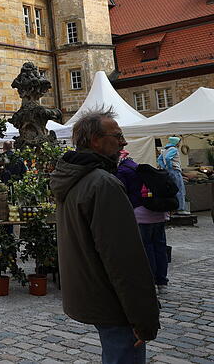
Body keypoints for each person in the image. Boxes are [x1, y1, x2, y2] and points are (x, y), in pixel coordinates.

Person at [50, 109, 159, 364]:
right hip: (114, 301)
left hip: (94, 293)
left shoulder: (74, 178)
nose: (123, 142)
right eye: (117, 136)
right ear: (95, 141)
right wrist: (143, 316)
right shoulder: (102, 184)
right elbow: (123, 257)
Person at [116, 150, 170, 294]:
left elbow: (122, 193)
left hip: (141, 215)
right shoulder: (138, 167)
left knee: (147, 249)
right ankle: (162, 282)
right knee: (160, 248)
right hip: (158, 213)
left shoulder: (122, 170)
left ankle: (150, 281)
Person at [157, 136, 188, 215]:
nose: (179, 143)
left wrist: (165, 167)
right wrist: (170, 166)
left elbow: (159, 159)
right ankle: (180, 209)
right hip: (175, 171)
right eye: (179, 142)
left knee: (172, 190)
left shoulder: (165, 150)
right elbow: (167, 158)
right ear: (176, 142)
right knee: (180, 190)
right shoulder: (174, 149)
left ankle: (173, 208)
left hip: (169, 172)